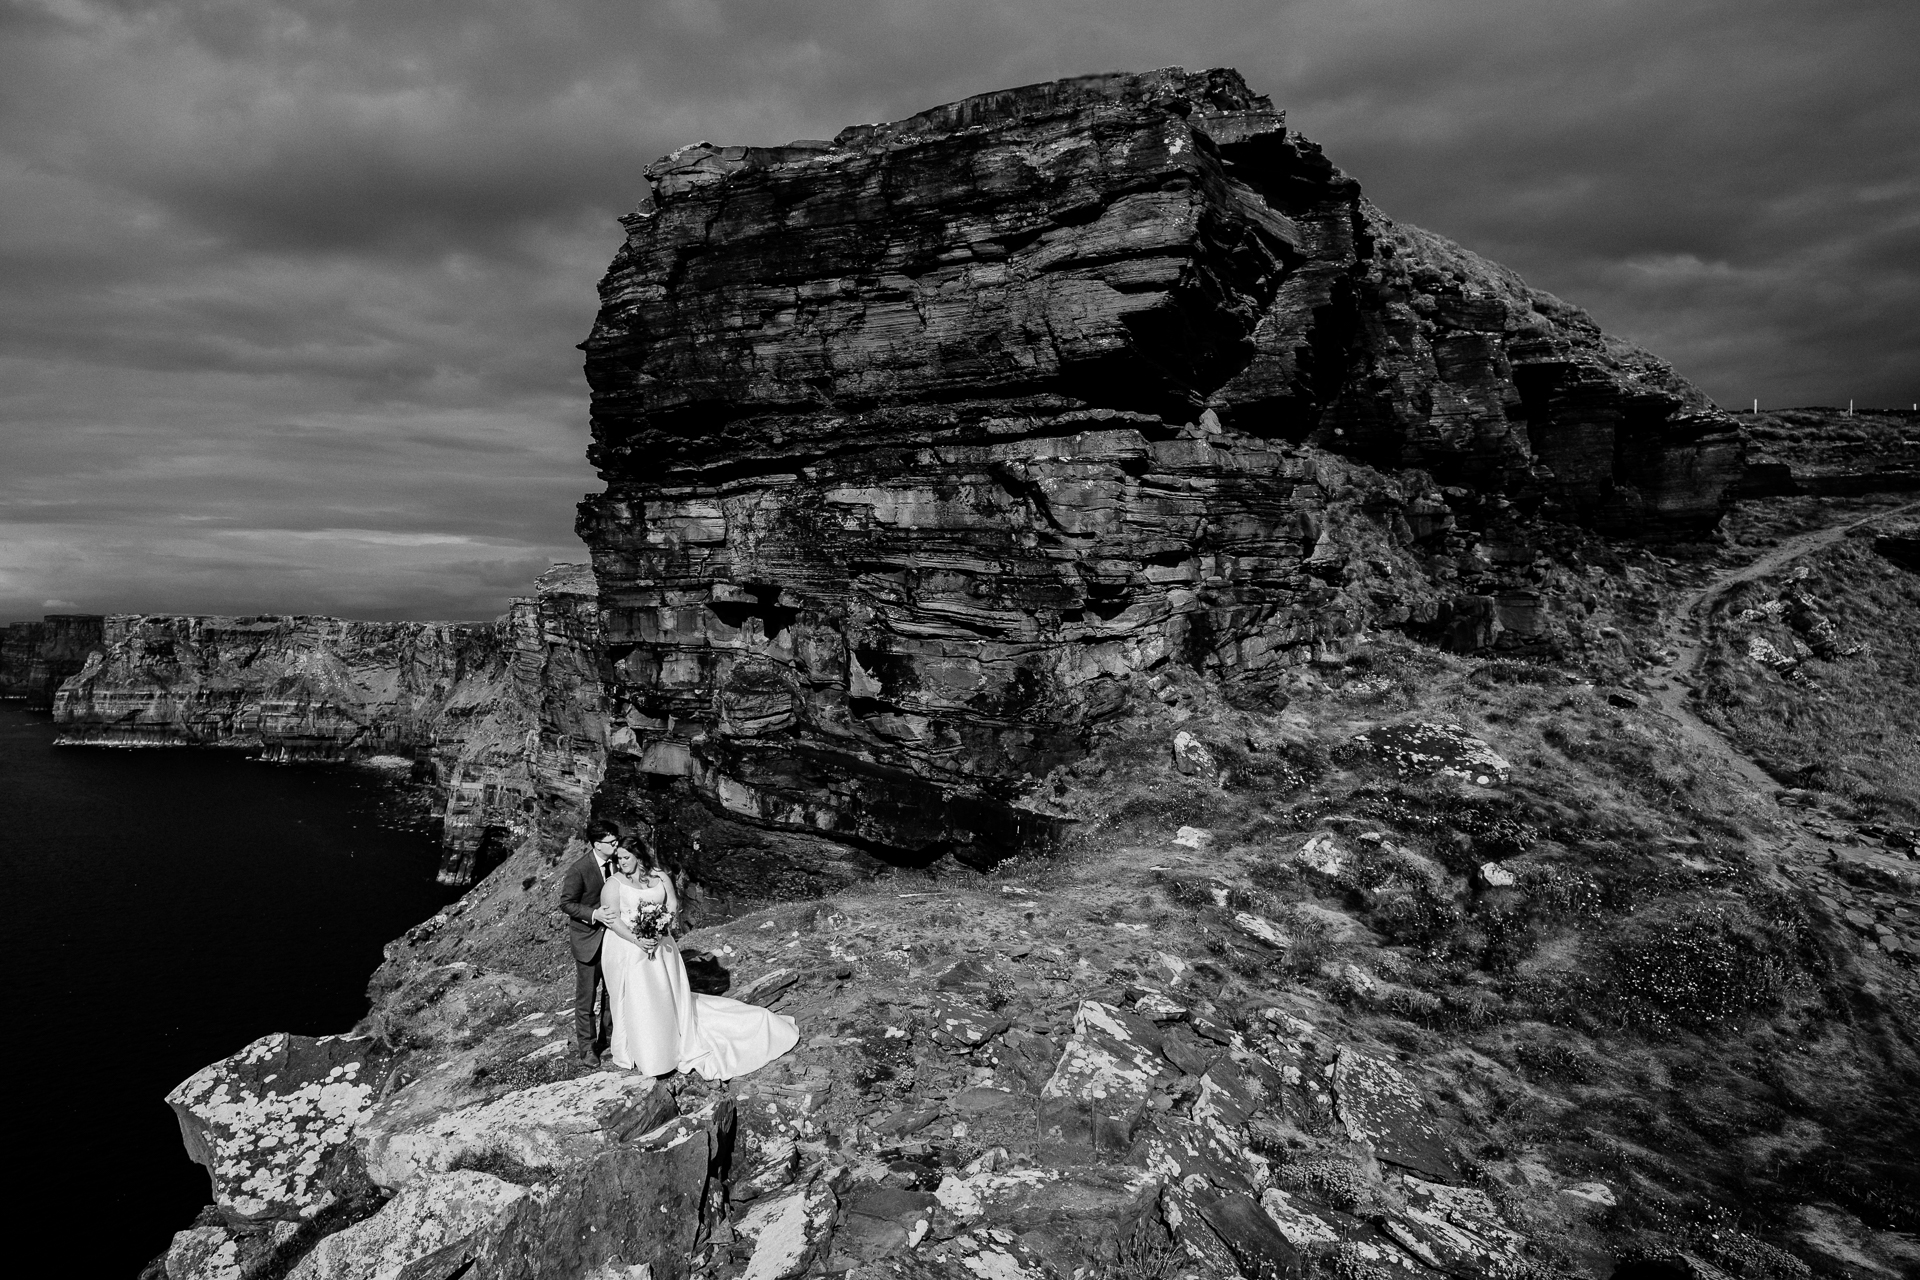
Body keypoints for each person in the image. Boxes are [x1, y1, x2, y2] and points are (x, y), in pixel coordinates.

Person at [598, 833, 799, 1079]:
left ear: (639, 856)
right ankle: (649, 1053)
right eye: (618, 859)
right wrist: (637, 939)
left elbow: (671, 904)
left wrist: (662, 926)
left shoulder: (660, 876)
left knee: (666, 994)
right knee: (640, 998)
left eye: (626, 858)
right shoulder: (613, 883)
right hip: (628, 948)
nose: (621, 863)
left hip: (661, 945)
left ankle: (676, 1038)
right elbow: (613, 920)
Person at [558, 819, 625, 1066]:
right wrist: (594, 915)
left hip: (615, 938)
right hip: (588, 940)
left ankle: (609, 1037)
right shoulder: (579, 869)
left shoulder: (619, 862)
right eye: (611, 842)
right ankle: (587, 1048)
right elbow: (566, 903)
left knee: (612, 990)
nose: (616, 845)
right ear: (597, 845)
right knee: (586, 998)